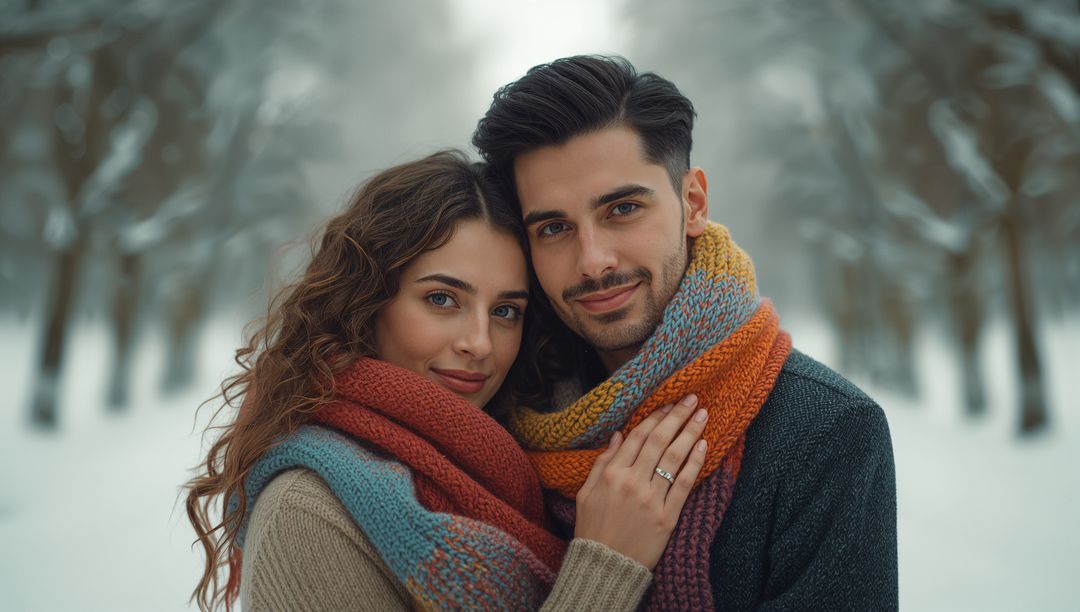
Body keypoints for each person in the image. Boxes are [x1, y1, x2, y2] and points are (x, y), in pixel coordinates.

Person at [184, 150, 711, 611]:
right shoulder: (309, 513)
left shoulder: (518, 462)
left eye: (505, 311)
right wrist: (605, 569)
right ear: (366, 303)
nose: (479, 343)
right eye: (442, 299)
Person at [472, 55, 898, 610]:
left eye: (622, 209)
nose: (593, 261)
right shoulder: (497, 415)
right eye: (554, 228)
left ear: (692, 202)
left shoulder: (827, 431)